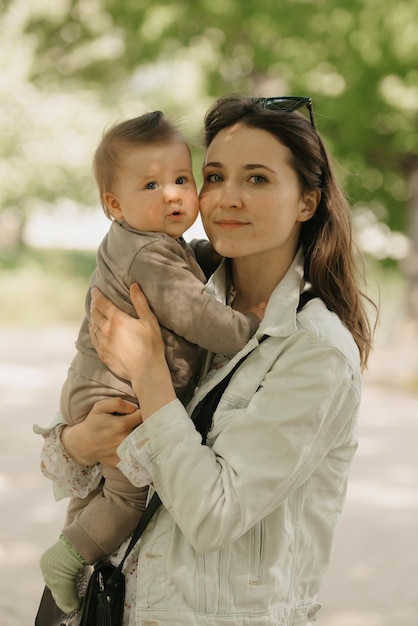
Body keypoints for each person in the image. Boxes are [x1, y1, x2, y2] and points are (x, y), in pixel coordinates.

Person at [36, 94, 376, 626]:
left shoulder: (314, 350)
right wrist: (77, 441)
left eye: (257, 179)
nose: (226, 198)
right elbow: (77, 440)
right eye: (214, 176)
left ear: (307, 202)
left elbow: (214, 515)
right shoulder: (184, 290)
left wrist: (150, 375)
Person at [37, 110, 264, 615]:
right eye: (152, 184)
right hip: (115, 397)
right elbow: (201, 317)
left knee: (102, 488)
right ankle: (68, 556)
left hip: (97, 386)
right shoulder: (149, 257)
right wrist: (249, 326)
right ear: (114, 204)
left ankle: (75, 547)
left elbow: (187, 260)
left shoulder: (147, 242)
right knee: (127, 496)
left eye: (182, 179)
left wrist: (214, 256)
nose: (172, 194)